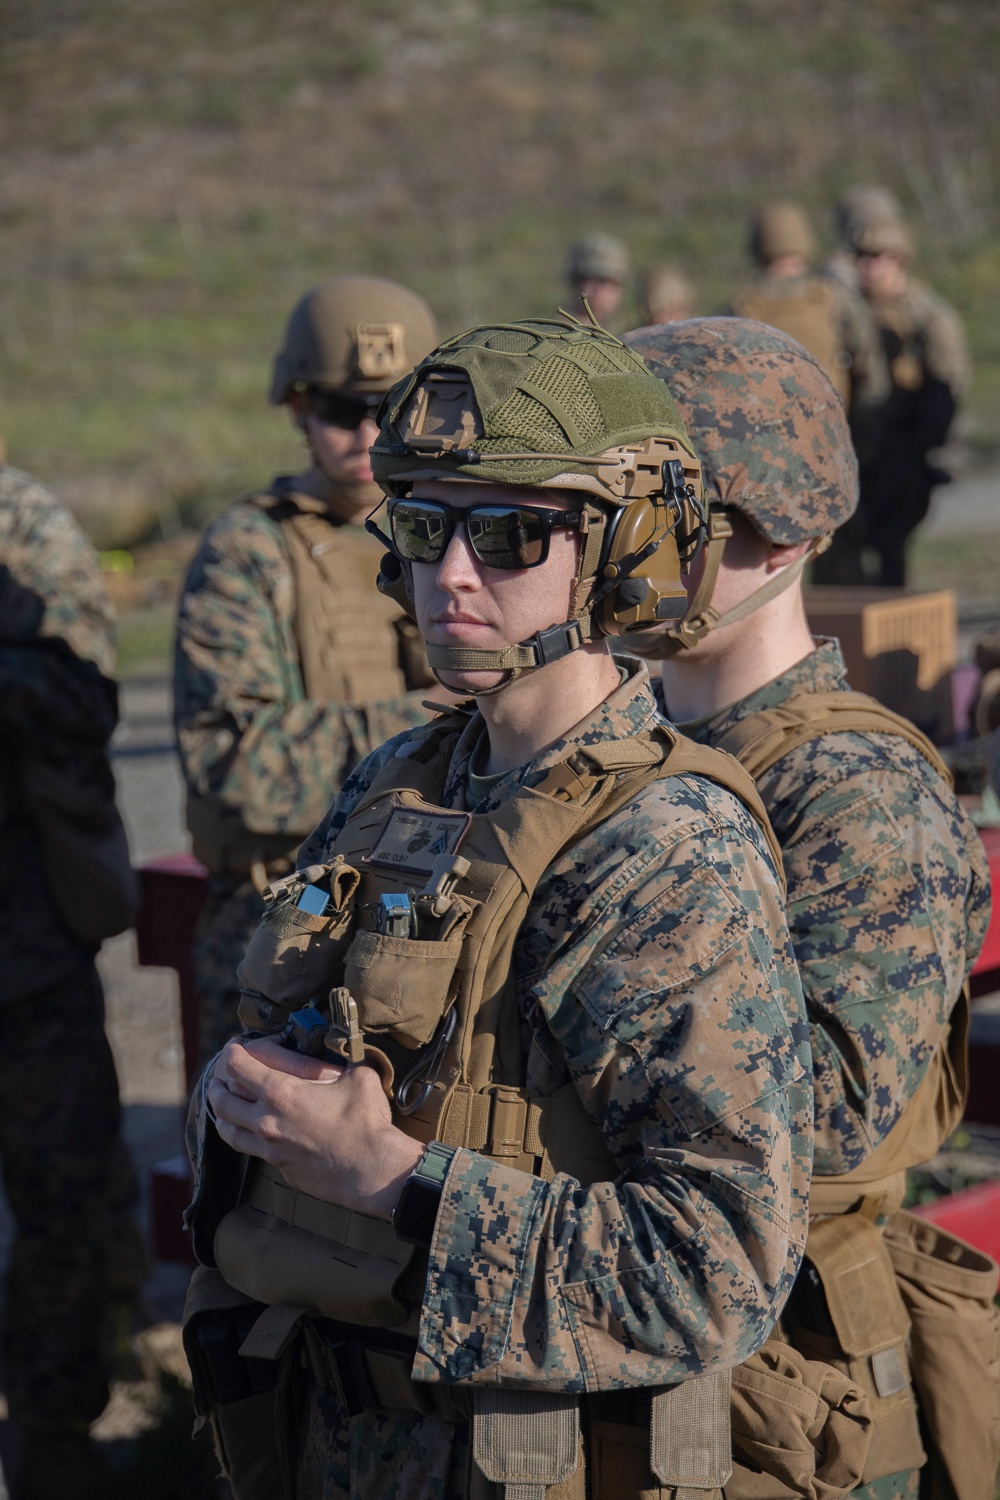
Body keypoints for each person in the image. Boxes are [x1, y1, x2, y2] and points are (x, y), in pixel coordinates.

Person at [183, 317, 817, 1500]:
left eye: (513, 534)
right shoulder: (398, 782)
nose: (451, 577)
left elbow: (720, 1267)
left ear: (621, 553)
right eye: (424, 529)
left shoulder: (662, 847)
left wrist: (391, 1179)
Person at [624, 315, 997, 1500]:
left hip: (780, 1398)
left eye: (657, 511)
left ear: (773, 525)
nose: (615, 547)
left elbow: (821, 1125)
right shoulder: (617, 748)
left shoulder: (856, 796)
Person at [174, 276, 447, 1066]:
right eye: (339, 410)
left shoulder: (457, 536)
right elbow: (235, 768)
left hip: (421, 919)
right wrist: (428, 719)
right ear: (298, 406)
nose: (364, 434)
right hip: (283, 923)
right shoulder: (249, 553)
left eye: (388, 409)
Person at [0, 465, 143, 1499]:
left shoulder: (17, 524)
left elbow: (86, 701)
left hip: (24, 965)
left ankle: (53, 1444)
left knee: (66, 1211)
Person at [851, 216, 971, 587]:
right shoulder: (848, 310)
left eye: (877, 256)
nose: (867, 266)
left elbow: (948, 385)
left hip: (903, 449)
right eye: (861, 256)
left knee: (890, 548)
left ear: (899, 259)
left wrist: (928, 447)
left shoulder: (927, 315)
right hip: (856, 445)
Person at [727, 202, 888, 458]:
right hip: (832, 440)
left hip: (766, 453)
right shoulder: (832, 298)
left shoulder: (739, 308)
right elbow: (869, 367)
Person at [563, 232, 630, 327]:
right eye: (587, 280)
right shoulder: (553, 333)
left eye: (604, 281)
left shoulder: (630, 331)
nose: (596, 290)